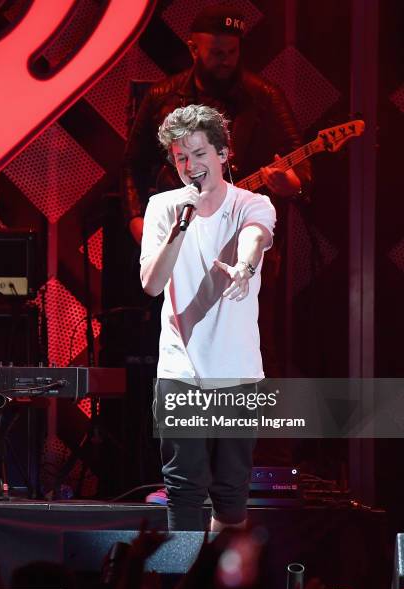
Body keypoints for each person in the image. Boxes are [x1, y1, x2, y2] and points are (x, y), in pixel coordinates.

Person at [123, 3, 311, 378]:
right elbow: (132, 162)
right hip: (182, 237)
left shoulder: (265, 96)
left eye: (233, 52)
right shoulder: (163, 96)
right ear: (194, 49)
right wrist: (135, 217)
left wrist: (292, 184)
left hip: (241, 237)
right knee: (179, 330)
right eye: (217, 53)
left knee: (252, 334)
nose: (226, 61)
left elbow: (302, 163)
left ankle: (246, 427)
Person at [140, 103, 276, 531]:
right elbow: (151, 284)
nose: (190, 165)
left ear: (222, 153)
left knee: (232, 495)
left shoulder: (252, 203)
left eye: (199, 153)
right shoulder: (164, 208)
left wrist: (246, 265)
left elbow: (255, 235)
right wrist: (182, 226)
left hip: (237, 373)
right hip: (180, 370)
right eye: (181, 157)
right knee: (183, 488)